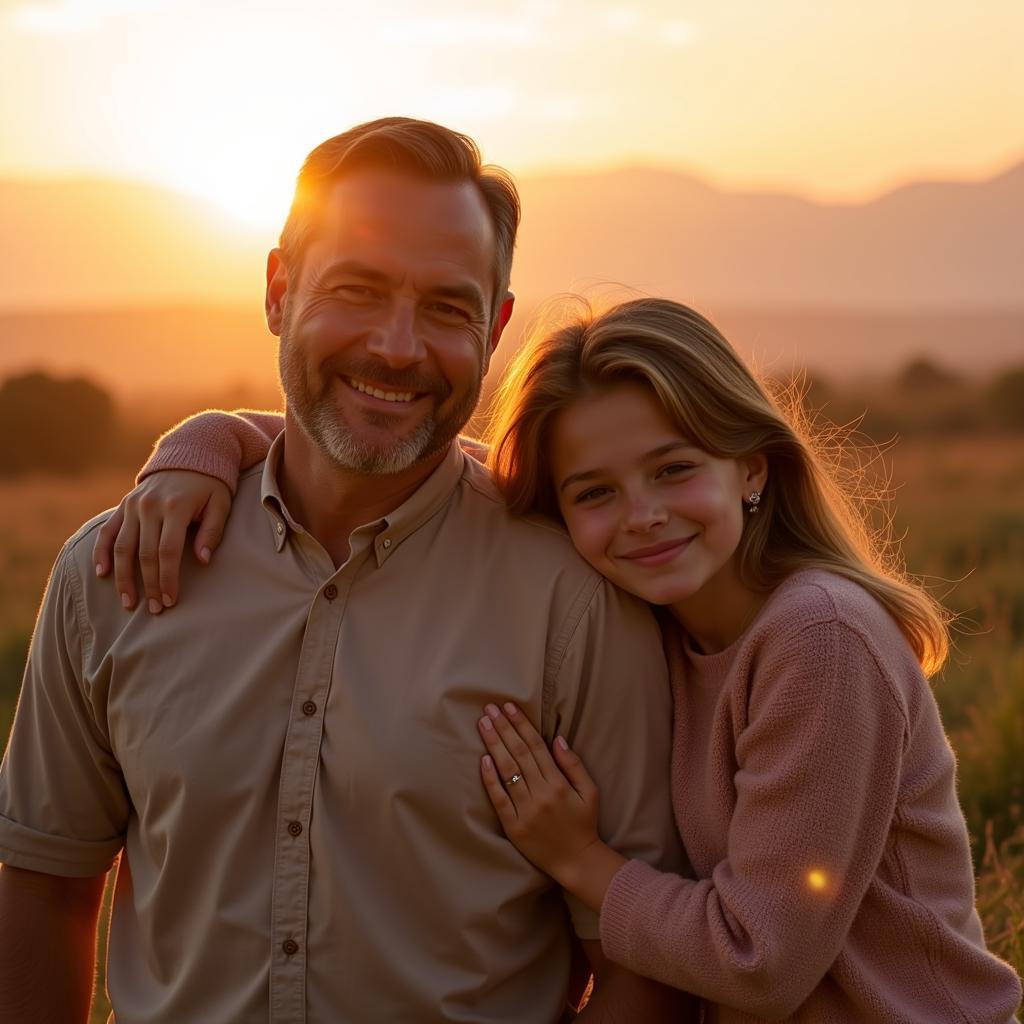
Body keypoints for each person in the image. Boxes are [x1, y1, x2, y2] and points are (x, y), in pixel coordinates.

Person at [99, 298, 1022, 1021]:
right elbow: (390, 455)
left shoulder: (816, 640)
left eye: (673, 470)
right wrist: (208, 440)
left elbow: (762, 959)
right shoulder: (656, 612)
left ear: (752, 467)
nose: (643, 514)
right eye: (596, 492)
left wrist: (578, 859)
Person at [0, 120, 693, 1024]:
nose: (397, 347)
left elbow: (643, 965)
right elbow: (45, 888)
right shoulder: (110, 575)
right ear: (280, 291)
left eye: (447, 307)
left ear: (496, 330)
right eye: (358, 291)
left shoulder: (578, 597)